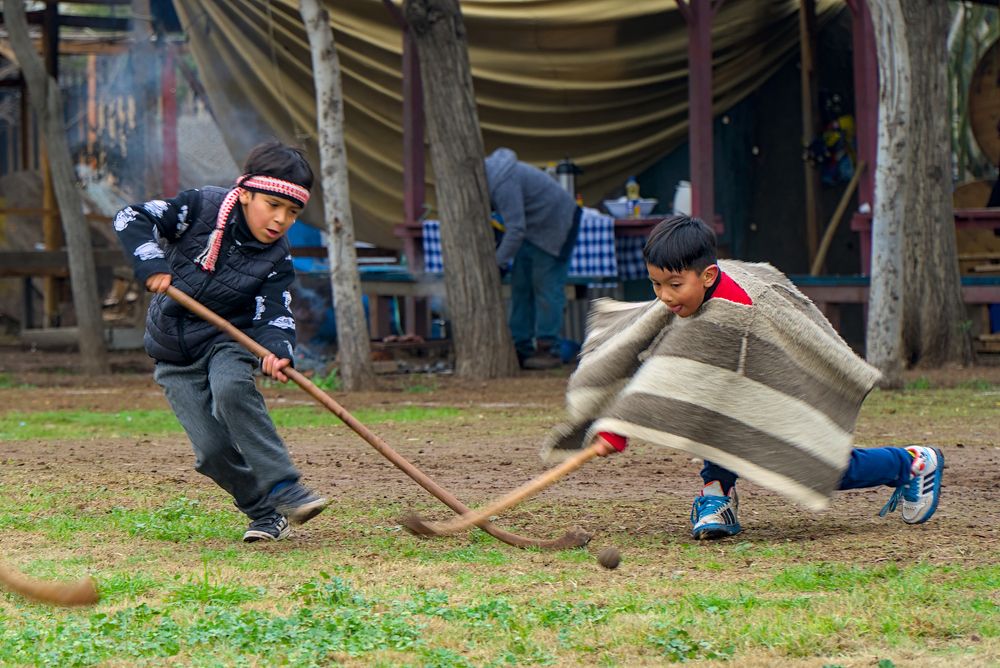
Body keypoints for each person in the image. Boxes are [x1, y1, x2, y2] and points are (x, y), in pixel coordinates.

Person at [544, 214, 944, 540]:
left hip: (778, 380)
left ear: (709, 275)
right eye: (656, 284)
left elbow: (669, 376)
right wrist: (612, 417)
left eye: (674, 284)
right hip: (731, 382)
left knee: (820, 466)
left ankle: (910, 463)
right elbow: (644, 350)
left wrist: (620, 425)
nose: (663, 296)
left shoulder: (728, 311)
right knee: (715, 417)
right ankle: (716, 493)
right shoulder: (690, 295)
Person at [113, 140, 329, 543]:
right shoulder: (198, 208)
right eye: (273, 205)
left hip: (228, 340)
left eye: (293, 212)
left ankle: (284, 486)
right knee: (211, 452)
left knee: (231, 389)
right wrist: (151, 262)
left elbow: (275, 312)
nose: (281, 220)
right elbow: (131, 217)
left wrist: (278, 351)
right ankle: (264, 512)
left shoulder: (276, 257)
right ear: (245, 192)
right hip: (173, 351)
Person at [484, 148, 581, 370]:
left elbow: (515, 229)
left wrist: (497, 262)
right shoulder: (491, 177)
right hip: (532, 227)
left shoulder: (501, 184)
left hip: (557, 222)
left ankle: (549, 348)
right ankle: (521, 346)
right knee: (521, 285)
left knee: (545, 285)